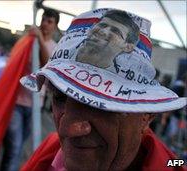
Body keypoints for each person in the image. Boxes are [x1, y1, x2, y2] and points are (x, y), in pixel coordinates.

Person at [20, 9, 187, 170]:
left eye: (100, 106)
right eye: (59, 97)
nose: (66, 129)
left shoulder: (172, 165)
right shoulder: (50, 147)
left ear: (146, 117)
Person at [0, 9, 60, 171]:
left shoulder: (55, 48)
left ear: (55, 26)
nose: (45, 24)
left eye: (50, 21)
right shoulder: (29, 41)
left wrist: (40, 39)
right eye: (43, 19)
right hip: (17, 102)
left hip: (35, 105)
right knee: (15, 146)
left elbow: (46, 66)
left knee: (16, 147)